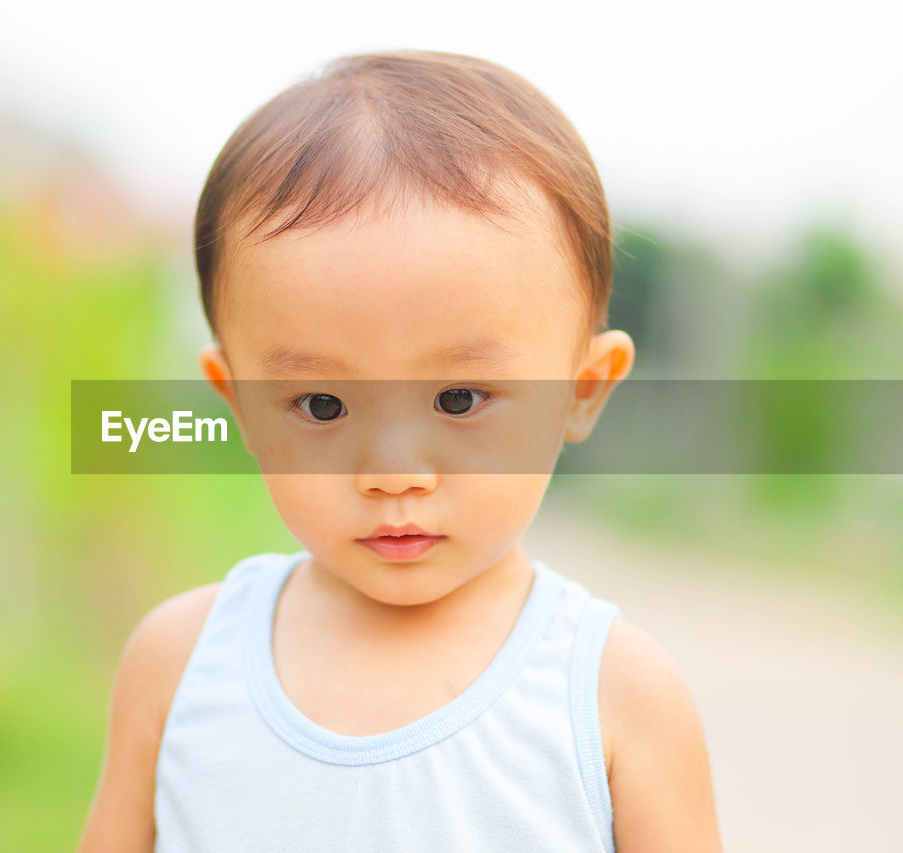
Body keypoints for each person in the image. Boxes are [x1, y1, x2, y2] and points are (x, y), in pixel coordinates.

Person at [77, 48, 722, 852]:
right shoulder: (180, 665)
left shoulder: (611, 695)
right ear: (238, 403)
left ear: (582, 391)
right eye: (321, 404)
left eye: (458, 399)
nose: (391, 473)